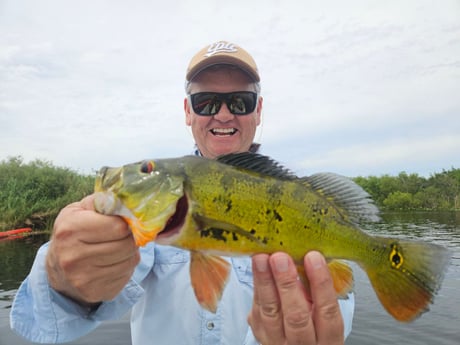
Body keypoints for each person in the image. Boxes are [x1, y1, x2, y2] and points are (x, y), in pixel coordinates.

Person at [11, 41, 354, 345]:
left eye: (240, 101)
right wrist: (63, 278)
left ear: (258, 110)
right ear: (188, 112)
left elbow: (336, 300)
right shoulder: (152, 216)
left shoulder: (307, 204)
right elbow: (48, 320)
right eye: (206, 102)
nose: (222, 113)